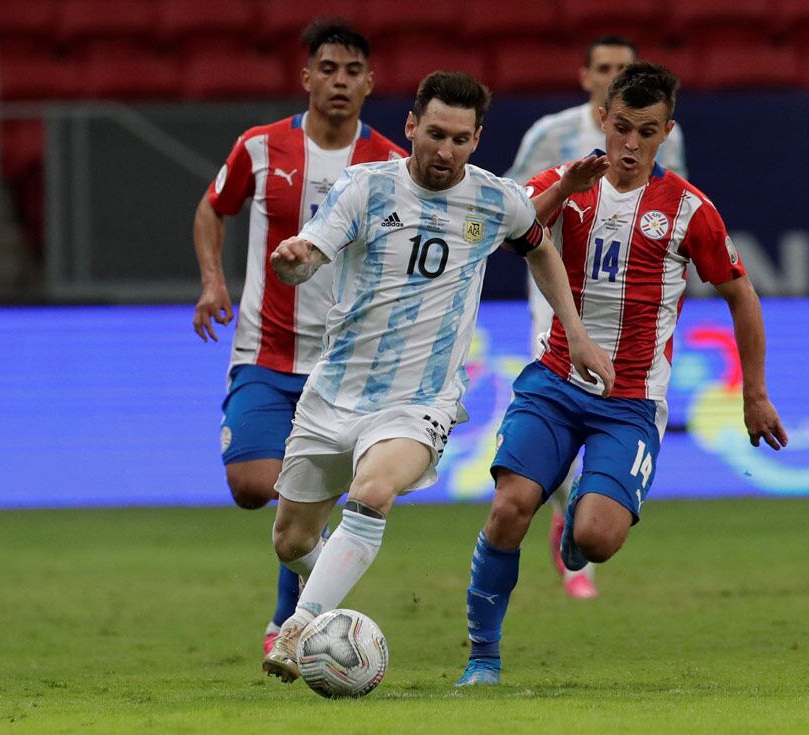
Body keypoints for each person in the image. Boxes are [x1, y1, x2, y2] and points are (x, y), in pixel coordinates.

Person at [260, 70, 616, 684]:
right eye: (434, 134)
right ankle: (333, 612)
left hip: (420, 399)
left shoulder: (492, 198)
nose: (444, 151)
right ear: (411, 128)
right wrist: (295, 263)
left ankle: (299, 631)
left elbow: (537, 244)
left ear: (476, 140)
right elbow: (312, 252)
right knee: (291, 541)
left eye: (459, 139)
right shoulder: (365, 188)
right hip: (335, 391)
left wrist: (576, 332)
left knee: (372, 494)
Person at [457, 62, 789, 686]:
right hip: (554, 381)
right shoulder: (569, 180)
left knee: (599, 539)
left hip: (631, 401)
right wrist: (562, 189)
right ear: (602, 120)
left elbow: (741, 294)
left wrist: (756, 393)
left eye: (646, 131)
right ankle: (482, 655)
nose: (630, 145)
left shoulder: (690, 210)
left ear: (667, 133)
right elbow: (511, 234)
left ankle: (583, 523)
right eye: (622, 128)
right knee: (508, 510)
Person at [191, 20, 406, 656]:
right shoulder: (259, 148)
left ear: (370, 82)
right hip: (264, 350)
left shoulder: (391, 165)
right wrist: (212, 282)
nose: (339, 81)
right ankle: (331, 586)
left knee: (305, 495)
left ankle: (288, 620)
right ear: (306, 76)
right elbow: (212, 207)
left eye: (352, 71)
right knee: (253, 487)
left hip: (345, 365)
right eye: (328, 69)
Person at [505, 35, 688, 599]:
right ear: (586, 78)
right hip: (559, 294)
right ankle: (563, 508)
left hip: (627, 306)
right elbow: (513, 208)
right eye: (604, 68)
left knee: (604, 414)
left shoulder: (658, 138)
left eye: (623, 67)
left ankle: (583, 514)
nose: (613, 74)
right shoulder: (550, 136)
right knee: (554, 415)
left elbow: (674, 206)